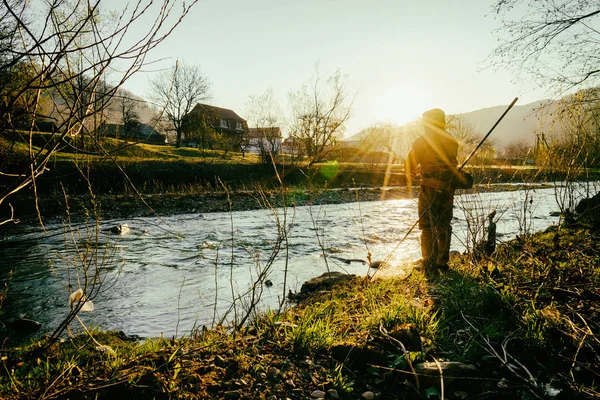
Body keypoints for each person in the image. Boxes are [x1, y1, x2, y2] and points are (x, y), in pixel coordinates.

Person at [405, 108, 459, 273]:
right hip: (448, 189)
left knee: (427, 226)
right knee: (444, 225)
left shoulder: (422, 140)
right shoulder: (452, 140)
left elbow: (409, 164)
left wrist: (411, 172)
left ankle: (429, 262)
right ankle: (442, 263)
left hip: (429, 188)